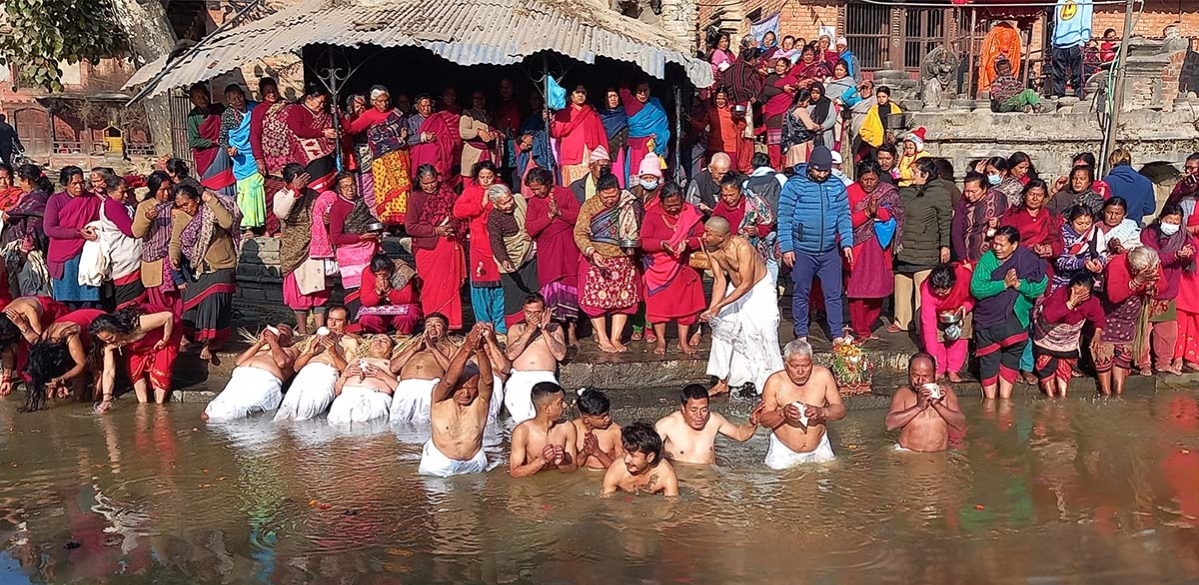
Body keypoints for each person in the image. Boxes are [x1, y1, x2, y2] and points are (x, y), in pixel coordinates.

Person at [700, 216, 784, 395]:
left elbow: (747, 283)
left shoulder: (742, 247)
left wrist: (720, 304)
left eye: (708, 233)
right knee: (722, 328)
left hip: (758, 288)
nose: (704, 236)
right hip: (735, 287)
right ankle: (722, 380)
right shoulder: (711, 247)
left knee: (763, 331)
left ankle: (772, 381)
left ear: (721, 237)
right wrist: (713, 309)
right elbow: (719, 280)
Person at [778, 146, 854, 341]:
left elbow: (844, 215)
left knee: (834, 294)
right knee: (801, 293)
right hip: (802, 250)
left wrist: (846, 242)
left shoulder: (836, 186)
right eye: (818, 170)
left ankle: (836, 334)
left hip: (829, 251)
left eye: (826, 171)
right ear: (810, 166)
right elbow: (784, 217)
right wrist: (787, 247)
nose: (822, 174)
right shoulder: (794, 185)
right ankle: (801, 332)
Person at [970, 226, 1048, 399]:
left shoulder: (1027, 259)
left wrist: (1020, 285)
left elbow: (1040, 286)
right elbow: (976, 288)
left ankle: (1005, 402)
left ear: (1014, 245)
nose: (996, 248)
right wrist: (1003, 284)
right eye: (995, 243)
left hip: (1016, 319)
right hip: (989, 321)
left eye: (1001, 245)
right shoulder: (988, 259)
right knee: (989, 361)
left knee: (1011, 359)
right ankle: (990, 402)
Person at [171, 184, 241, 361]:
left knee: (212, 301)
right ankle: (190, 336)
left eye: (187, 204)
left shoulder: (210, 210)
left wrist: (211, 201)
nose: (185, 208)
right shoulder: (182, 217)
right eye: (180, 206)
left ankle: (208, 343)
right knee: (191, 303)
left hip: (222, 264)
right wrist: (174, 258)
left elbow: (227, 222)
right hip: (199, 268)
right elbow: (175, 242)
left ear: (196, 199)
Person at [574, 173, 642, 353]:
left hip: (623, 260)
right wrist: (592, 252)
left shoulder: (628, 202)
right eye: (606, 197)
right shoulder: (589, 206)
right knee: (595, 300)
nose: (611, 200)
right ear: (598, 193)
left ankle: (616, 337)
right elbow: (579, 233)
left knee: (624, 300)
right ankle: (603, 337)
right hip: (597, 259)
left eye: (614, 195)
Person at [420, 324, 497, 477]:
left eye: (471, 389)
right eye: (461, 388)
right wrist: (467, 347)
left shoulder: (480, 401)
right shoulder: (440, 397)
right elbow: (449, 380)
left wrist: (480, 349)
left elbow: (488, 381)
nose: (466, 394)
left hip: (474, 463)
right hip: (439, 463)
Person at [757, 340, 846, 468]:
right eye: (795, 366)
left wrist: (822, 412)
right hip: (784, 451)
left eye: (805, 366)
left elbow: (840, 410)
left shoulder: (823, 375)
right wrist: (783, 413)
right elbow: (764, 421)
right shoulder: (775, 382)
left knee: (836, 474)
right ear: (786, 364)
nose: (800, 371)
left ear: (811, 362)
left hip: (819, 448)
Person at [640, 184, 705, 355]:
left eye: (677, 204)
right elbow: (644, 241)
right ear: (661, 202)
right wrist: (662, 244)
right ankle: (661, 341)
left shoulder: (691, 212)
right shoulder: (652, 214)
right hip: (659, 268)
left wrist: (688, 243)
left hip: (683, 266)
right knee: (659, 307)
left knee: (686, 307)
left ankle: (683, 342)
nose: (674, 208)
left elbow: (702, 237)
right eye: (669, 205)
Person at [891, 158, 952, 333]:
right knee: (901, 285)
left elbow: (945, 221)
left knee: (922, 290)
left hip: (926, 248)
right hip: (904, 246)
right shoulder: (906, 192)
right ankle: (901, 321)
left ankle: (921, 325)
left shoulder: (940, 193)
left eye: (915, 172)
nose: (912, 175)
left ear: (925, 174)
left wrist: (945, 245)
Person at [525, 168, 582, 346]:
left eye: (539, 188)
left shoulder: (564, 193)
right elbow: (530, 228)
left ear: (548, 183)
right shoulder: (533, 203)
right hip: (548, 251)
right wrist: (549, 216)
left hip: (568, 248)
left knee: (569, 287)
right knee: (551, 289)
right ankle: (554, 330)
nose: (536, 192)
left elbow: (579, 217)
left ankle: (571, 328)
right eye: (533, 189)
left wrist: (560, 212)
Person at [406, 164, 466, 330]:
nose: (430, 186)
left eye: (432, 182)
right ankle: (432, 325)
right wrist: (435, 230)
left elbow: (458, 215)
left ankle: (451, 324)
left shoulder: (446, 192)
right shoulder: (416, 198)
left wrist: (451, 227)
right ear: (419, 182)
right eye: (426, 183)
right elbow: (410, 227)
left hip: (448, 245)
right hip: (428, 248)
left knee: (449, 287)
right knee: (430, 289)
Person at [846, 160, 901, 339]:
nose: (869, 183)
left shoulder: (887, 191)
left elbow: (896, 214)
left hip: (880, 246)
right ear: (859, 178)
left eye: (873, 180)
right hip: (858, 247)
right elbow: (846, 221)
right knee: (858, 290)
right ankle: (860, 329)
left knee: (879, 288)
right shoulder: (850, 192)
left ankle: (868, 324)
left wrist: (879, 212)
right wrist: (867, 213)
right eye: (865, 179)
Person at [89, 304, 180, 411]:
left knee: (162, 369)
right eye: (105, 340)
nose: (109, 342)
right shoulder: (109, 344)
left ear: (117, 329)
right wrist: (106, 399)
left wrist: (165, 340)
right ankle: (143, 407)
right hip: (138, 346)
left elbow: (168, 316)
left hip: (163, 333)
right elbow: (108, 371)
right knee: (134, 371)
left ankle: (159, 408)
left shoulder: (138, 323)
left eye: (111, 338)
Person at [273, 163, 329, 335]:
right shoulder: (281, 195)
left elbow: (321, 212)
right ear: (288, 181)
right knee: (299, 292)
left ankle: (320, 330)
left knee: (319, 288)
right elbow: (281, 213)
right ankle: (303, 332)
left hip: (314, 245)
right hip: (293, 248)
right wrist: (295, 192)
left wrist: (325, 219)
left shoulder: (313, 195)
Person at [274, 305, 356, 422]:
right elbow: (296, 368)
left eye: (338, 321)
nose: (332, 324)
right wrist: (310, 352)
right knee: (285, 411)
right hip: (306, 372)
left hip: (328, 372)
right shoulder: (314, 339)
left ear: (347, 323)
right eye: (330, 319)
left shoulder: (349, 341)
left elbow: (346, 370)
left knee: (308, 412)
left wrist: (334, 353)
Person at [1097, 247, 1161, 395]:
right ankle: (1105, 395)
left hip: (1129, 322)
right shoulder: (1116, 265)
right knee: (1104, 357)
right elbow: (1114, 296)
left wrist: (1151, 288)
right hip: (1108, 319)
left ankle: (1118, 395)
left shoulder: (1151, 263)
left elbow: (1162, 284)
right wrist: (1137, 282)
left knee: (1123, 359)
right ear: (1133, 267)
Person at [1140, 205, 1194, 375]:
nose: (1171, 224)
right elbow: (1153, 257)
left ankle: (1163, 363)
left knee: (1167, 332)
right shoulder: (1149, 233)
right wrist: (1175, 256)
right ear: (1160, 218)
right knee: (1143, 330)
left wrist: (1188, 253)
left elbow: (1193, 251)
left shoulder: (1184, 236)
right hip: (1149, 288)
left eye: (1175, 222)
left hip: (1169, 290)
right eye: (1168, 220)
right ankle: (1143, 363)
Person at [202, 325, 298, 421]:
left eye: (284, 330)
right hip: (240, 379)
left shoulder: (290, 351)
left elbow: (282, 363)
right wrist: (260, 343)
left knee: (234, 413)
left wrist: (273, 342)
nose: (279, 330)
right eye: (278, 328)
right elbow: (239, 361)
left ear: (291, 340)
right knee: (208, 413)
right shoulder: (261, 349)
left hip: (263, 380)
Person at [1032, 274, 1105, 397]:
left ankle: (1063, 398)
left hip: (1067, 342)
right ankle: (1050, 398)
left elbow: (1099, 317)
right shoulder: (1059, 295)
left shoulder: (1092, 302)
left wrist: (1097, 334)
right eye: (1076, 291)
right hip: (1047, 338)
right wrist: (1070, 304)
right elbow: (1049, 316)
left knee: (1064, 370)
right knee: (1046, 368)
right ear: (1070, 288)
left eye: (1083, 293)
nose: (1078, 295)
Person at [453, 161, 505, 332]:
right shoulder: (471, 191)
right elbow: (457, 211)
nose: (486, 180)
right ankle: (484, 325)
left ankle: (500, 326)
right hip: (479, 245)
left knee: (500, 285)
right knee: (480, 285)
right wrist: (479, 205)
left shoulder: (502, 189)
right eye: (482, 177)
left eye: (489, 176)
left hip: (498, 244)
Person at [349, 85, 411, 225]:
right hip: (381, 160)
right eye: (380, 101)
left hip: (399, 156)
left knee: (402, 188)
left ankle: (403, 221)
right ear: (373, 102)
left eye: (386, 100)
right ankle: (387, 222)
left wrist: (404, 133)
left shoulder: (396, 113)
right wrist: (340, 117)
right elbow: (352, 129)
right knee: (384, 190)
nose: (384, 104)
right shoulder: (369, 115)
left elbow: (404, 127)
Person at [654, 384, 759, 464]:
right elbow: (647, 449)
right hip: (682, 479)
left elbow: (740, 435)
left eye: (704, 410)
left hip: (708, 479)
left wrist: (752, 424)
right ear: (683, 408)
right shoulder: (667, 425)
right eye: (693, 410)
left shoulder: (714, 420)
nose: (699, 415)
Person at [24, 307, 105, 410]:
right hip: (76, 326)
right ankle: (79, 401)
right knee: (73, 367)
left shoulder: (68, 335)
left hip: (99, 321)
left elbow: (82, 364)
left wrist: (62, 379)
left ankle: (95, 402)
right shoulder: (45, 340)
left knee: (96, 365)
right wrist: (56, 386)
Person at [503, 293, 566, 424]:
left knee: (546, 417)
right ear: (523, 311)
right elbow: (510, 355)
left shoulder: (555, 328)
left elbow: (560, 355)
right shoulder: (516, 329)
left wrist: (544, 330)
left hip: (545, 376)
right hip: (520, 377)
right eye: (529, 312)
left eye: (537, 312)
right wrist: (530, 330)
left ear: (545, 311)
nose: (532, 316)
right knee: (520, 419)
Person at [327, 172, 381, 322]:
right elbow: (336, 238)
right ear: (339, 190)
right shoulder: (337, 208)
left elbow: (369, 221)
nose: (350, 190)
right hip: (350, 257)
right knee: (354, 293)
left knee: (370, 289)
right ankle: (356, 324)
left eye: (352, 185)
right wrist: (359, 237)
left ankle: (372, 323)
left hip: (368, 252)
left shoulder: (360, 203)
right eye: (345, 187)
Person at [884, 353, 966, 452]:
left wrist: (938, 405)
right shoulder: (904, 393)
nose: (920, 381)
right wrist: (918, 407)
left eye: (926, 376)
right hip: (908, 454)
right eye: (915, 375)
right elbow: (889, 424)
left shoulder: (945, 393)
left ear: (934, 375)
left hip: (938, 455)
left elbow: (961, 424)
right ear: (909, 374)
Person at [44, 167, 101, 307]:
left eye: (81, 183)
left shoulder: (93, 200)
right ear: (65, 184)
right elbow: (49, 229)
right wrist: (77, 233)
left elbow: (100, 221)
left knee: (89, 298)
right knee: (66, 300)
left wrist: (93, 228)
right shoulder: (55, 200)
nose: (79, 187)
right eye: (74, 184)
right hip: (64, 256)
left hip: (87, 253)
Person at [486, 184, 540, 328]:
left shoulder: (520, 201)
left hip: (530, 259)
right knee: (514, 300)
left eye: (510, 200)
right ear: (495, 204)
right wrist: (504, 260)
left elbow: (533, 218)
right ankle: (515, 331)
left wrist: (531, 231)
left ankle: (537, 327)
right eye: (504, 203)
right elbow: (496, 242)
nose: (509, 204)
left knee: (535, 294)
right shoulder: (494, 218)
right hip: (512, 262)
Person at [388, 313, 456, 423]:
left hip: (429, 387)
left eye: (438, 325)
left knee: (424, 424)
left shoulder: (450, 348)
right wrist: (415, 348)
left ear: (446, 330)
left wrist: (433, 349)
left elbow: (454, 372)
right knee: (397, 423)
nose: (432, 328)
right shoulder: (413, 346)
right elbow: (394, 368)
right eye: (429, 325)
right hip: (405, 387)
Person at [90, 174, 144, 310]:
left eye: (127, 191)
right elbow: (130, 231)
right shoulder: (113, 206)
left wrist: (137, 179)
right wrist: (145, 217)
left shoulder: (118, 202)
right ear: (110, 192)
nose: (126, 195)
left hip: (130, 255)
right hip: (125, 257)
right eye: (122, 192)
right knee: (129, 302)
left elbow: (128, 179)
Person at [132, 172, 182, 316]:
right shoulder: (145, 206)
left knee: (178, 302)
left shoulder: (177, 204)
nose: (167, 193)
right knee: (160, 306)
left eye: (169, 188)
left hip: (174, 259)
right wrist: (147, 218)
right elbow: (136, 232)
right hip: (155, 262)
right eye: (162, 190)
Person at [218, 84, 265, 233]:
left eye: (239, 96)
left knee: (257, 187)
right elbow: (222, 138)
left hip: (255, 153)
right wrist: (229, 148)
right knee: (245, 190)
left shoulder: (254, 108)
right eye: (233, 99)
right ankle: (247, 225)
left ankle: (261, 222)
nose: (238, 100)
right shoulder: (228, 115)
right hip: (241, 158)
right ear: (229, 101)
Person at [509, 381, 579, 477]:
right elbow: (515, 472)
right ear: (547, 409)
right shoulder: (523, 431)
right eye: (560, 402)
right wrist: (541, 460)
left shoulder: (567, 427)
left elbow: (573, 467)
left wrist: (562, 463)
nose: (565, 405)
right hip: (533, 483)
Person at [919, 262, 974, 382]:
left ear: (952, 285)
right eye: (937, 292)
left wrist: (966, 306)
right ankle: (939, 370)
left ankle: (953, 370)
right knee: (937, 338)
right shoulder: (927, 290)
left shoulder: (964, 277)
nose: (940, 295)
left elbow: (973, 296)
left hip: (960, 309)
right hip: (937, 313)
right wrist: (933, 357)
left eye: (943, 292)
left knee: (961, 338)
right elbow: (929, 326)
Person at [3, 164, 52, 297]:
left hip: (29, 251)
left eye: (20, 180)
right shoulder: (29, 197)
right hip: (21, 249)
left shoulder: (37, 199)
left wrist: (25, 251)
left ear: (27, 181)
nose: (19, 184)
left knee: (30, 288)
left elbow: (33, 227)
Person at [327, 334, 397, 425]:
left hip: (374, 398)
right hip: (346, 398)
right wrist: (344, 376)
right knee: (338, 430)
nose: (378, 342)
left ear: (391, 349)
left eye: (384, 341)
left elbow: (400, 390)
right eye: (375, 339)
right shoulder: (355, 360)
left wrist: (383, 376)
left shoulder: (393, 365)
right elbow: (337, 391)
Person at [601, 420, 679, 497]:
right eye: (624, 452)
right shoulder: (617, 469)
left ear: (650, 457)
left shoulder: (666, 475)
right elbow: (605, 499)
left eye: (633, 456)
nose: (626, 460)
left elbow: (672, 503)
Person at [248, 77, 285, 235]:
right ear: (262, 93)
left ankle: (287, 228)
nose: (272, 93)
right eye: (267, 91)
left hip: (287, 159)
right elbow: (254, 136)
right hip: (270, 161)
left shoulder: (286, 106)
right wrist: (259, 160)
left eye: (273, 90)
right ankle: (272, 228)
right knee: (271, 195)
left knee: (289, 194)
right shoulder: (259, 110)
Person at [552, 85, 608, 187]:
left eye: (583, 93)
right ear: (571, 95)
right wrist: (550, 122)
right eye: (577, 92)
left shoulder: (592, 113)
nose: (580, 95)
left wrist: (604, 154)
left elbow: (601, 135)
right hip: (572, 155)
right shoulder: (564, 112)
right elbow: (556, 133)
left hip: (590, 154)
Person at [1002, 179, 1063, 272]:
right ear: (1024, 195)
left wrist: (1049, 249)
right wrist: (1031, 248)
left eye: (1039, 195)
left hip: (1042, 262)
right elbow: (1005, 240)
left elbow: (1057, 240)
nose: (1035, 199)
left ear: (1044, 197)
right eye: (1031, 194)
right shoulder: (1012, 215)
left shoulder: (1050, 216)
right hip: (1016, 261)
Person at [952, 172, 1009, 262]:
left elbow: (1011, 219)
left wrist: (999, 222)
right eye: (967, 191)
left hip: (997, 254)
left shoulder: (999, 199)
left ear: (984, 189)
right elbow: (956, 232)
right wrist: (963, 258)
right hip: (971, 256)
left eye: (974, 191)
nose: (969, 195)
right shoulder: (963, 205)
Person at [358, 254, 420, 335]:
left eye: (385, 274)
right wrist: (377, 292)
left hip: (402, 305)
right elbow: (365, 301)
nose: (382, 278)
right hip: (380, 307)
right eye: (378, 275)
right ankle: (381, 336)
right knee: (367, 319)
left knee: (407, 317)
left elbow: (406, 298)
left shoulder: (402, 271)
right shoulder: (367, 272)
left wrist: (389, 291)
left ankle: (403, 334)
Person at [406, 94, 460, 185]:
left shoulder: (438, 119)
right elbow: (408, 140)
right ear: (417, 107)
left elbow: (448, 138)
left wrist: (437, 138)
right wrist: (423, 137)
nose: (426, 109)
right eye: (423, 106)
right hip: (419, 159)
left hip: (437, 159)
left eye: (428, 106)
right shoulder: (411, 121)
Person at [622, 80, 671, 179]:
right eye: (639, 91)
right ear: (634, 92)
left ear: (650, 90)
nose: (643, 94)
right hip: (637, 147)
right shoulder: (631, 104)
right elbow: (623, 89)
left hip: (654, 146)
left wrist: (659, 136)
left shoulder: (656, 104)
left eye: (645, 90)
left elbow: (663, 125)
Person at [760, 58, 801, 169]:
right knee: (773, 142)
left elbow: (796, 93)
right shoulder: (771, 79)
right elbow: (767, 91)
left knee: (784, 141)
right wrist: (783, 88)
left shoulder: (792, 80)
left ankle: (785, 165)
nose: (779, 68)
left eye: (782, 66)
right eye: (777, 65)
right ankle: (775, 165)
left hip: (786, 114)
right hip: (773, 113)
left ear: (787, 68)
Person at [185, 83, 228, 188]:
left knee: (226, 180)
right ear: (193, 100)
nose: (203, 99)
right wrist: (213, 142)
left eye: (204, 95)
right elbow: (193, 141)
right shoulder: (193, 117)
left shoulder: (218, 109)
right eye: (198, 97)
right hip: (206, 157)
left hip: (223, 151)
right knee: (211, 185)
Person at [1054, 205, 1105, 292]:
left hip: (1084, 281)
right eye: (1079, 223)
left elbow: (1102, 253)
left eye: (1088, 223)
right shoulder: (1062, 235)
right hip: (1063, 281)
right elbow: (1060, 262)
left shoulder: (1094, 232)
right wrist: (1083, 263)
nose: (1084, 227)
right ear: (1071, 221)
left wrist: (1098, 262)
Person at [573, 388, 623, 470]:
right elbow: (572, 466)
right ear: (586, 420)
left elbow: (620, 469)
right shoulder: (574, 428)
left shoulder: (616, 432)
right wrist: (584, 453)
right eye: (602, 417)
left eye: (607, 414)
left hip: (604, 475)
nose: (608, 419)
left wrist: (597, 452)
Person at [1051, 0, 1092, 98]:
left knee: (1077, 74)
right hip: (1058, 42)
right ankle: (1058, 96)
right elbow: (1056, 22)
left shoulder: (1085, 1)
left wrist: (1084, 39)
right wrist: (1053, 40)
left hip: (1076, 41)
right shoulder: (1060, 1)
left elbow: (1086, 19)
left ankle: (1079, 96)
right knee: (1057, 75)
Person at [1104, 149, 1156, 226]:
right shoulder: (1146, 182)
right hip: (1134, 226)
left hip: (1111, 226)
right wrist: (1136, 211)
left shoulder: (1108, 181)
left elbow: (1103, 206)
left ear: (1112, 163)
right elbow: (1150, 209)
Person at [458, 91, 502, 180]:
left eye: (482, 98)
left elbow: (502, 133)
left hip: (490, 153)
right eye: (477, 99)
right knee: (471, 181)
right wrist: (478, 132)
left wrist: (495, 134)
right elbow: (463, 132)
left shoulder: (491, 114)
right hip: (473, 154)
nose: (480, 101)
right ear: (472, 100)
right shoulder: (468, 113)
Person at [599, 88, 630, 187]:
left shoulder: (624, 113)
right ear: (604, 99)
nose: (613, 99)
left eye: (615, 96)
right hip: (609, 152)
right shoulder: (601, 116)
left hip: (625, 151)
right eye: (609, 97)